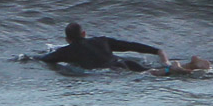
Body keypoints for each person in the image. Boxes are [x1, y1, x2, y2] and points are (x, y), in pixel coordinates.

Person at [36, 22, 174, 72]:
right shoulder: (102, 40)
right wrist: (156, 50)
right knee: (152, 71)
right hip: (126, 62)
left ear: (67, 40)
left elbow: (44, 59)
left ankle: (173, 69)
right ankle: (176, 67)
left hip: (113, 70)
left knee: (152, 74)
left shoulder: (66, 51)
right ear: (84, 34)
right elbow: (130, 46)